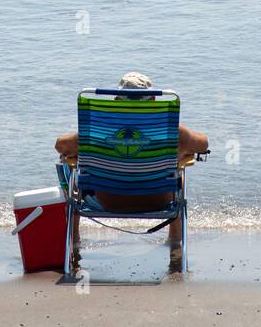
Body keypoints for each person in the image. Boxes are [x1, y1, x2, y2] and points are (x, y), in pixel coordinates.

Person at [55, 71, 208, 263]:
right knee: (177, 172)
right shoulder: (170, 131)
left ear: (116, 99)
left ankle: (74, 244)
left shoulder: (97, 130)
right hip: (158, 201)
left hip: (108, 201)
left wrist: (85, 150)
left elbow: (60, 145)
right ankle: (175, 243)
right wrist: (181, 150)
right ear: (153, 99)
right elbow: (203, 145)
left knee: (75, 172)